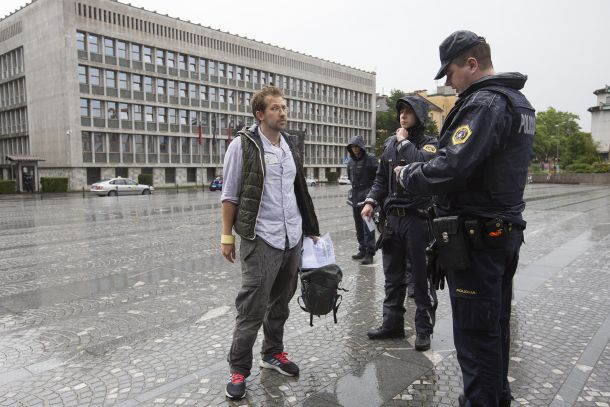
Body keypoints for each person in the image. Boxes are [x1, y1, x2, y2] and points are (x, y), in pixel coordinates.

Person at [395, 30, 535, 406]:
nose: (449, 83)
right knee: (494, 328)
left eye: (451, 73)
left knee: (475, 336)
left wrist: (408, 175)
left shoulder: (485, 103)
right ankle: (494, 397)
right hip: (501, 231)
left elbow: (451, 168)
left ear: (471, 64)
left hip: (478, 237)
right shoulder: (517, 102)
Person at [220, 85, 320, 400]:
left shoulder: (290, 144)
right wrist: (226, 236)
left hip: (292, 236)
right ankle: (238, 369)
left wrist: (310, 228)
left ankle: (272, 352)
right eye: (275, 108)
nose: (283, 112)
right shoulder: (243, 145)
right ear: (260, 114)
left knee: (281, 301)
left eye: (284, 107)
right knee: (252, 305)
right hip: (260, 236)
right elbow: (230, 193)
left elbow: (299, 190)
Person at [361, 96, 438, 349]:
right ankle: (392, 323)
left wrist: (404, 142)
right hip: (393, 219)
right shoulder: (390, 144)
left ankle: (423, 329)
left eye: (409, 112)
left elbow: (424, 164)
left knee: (419, 277)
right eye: (401, 112)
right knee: (392, 276)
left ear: (420, 116)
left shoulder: (429, 144)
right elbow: (381, 179)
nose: (403, 116)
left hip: (417, 219)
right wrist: (371, 201)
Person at [346, 135, 378, 265]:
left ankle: (370, 252)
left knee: (368, 226)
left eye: (356, 146)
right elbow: (350, 178)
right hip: (355, 197)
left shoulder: (371, 159)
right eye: (352, 147)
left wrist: (373, 196)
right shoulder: (350, 162)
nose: (354, 149)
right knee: (358, 226)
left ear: (361, 147)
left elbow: (378, 178)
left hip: (367, 197)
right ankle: (362, 249)